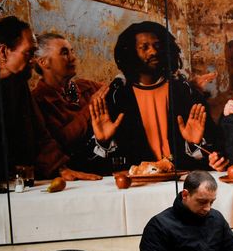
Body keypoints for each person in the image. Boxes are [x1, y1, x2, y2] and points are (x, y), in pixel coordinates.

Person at [0, 16, 100, 186]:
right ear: (3, 52)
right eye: (28, 53)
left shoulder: (17, 81)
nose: (33, 61)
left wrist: (60, 169)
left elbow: (38, 133)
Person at [90, 21, 217, 170]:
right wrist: (103, 143)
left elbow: (213, 145)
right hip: (138, 184)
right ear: (131, 52)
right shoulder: (117, 96)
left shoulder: (185, 91)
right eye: (144, 47)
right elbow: (95, 165)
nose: (153, 52)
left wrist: (192, 144)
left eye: (157, 46)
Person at [31, 33, 109, 174]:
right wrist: (90, 109)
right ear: (43, 62)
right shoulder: (38, 101)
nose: (73, 58)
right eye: (64, 53)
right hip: (70, 174)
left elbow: (115, 90)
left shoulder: (87, 86)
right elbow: (59, 143)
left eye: (72, 51)